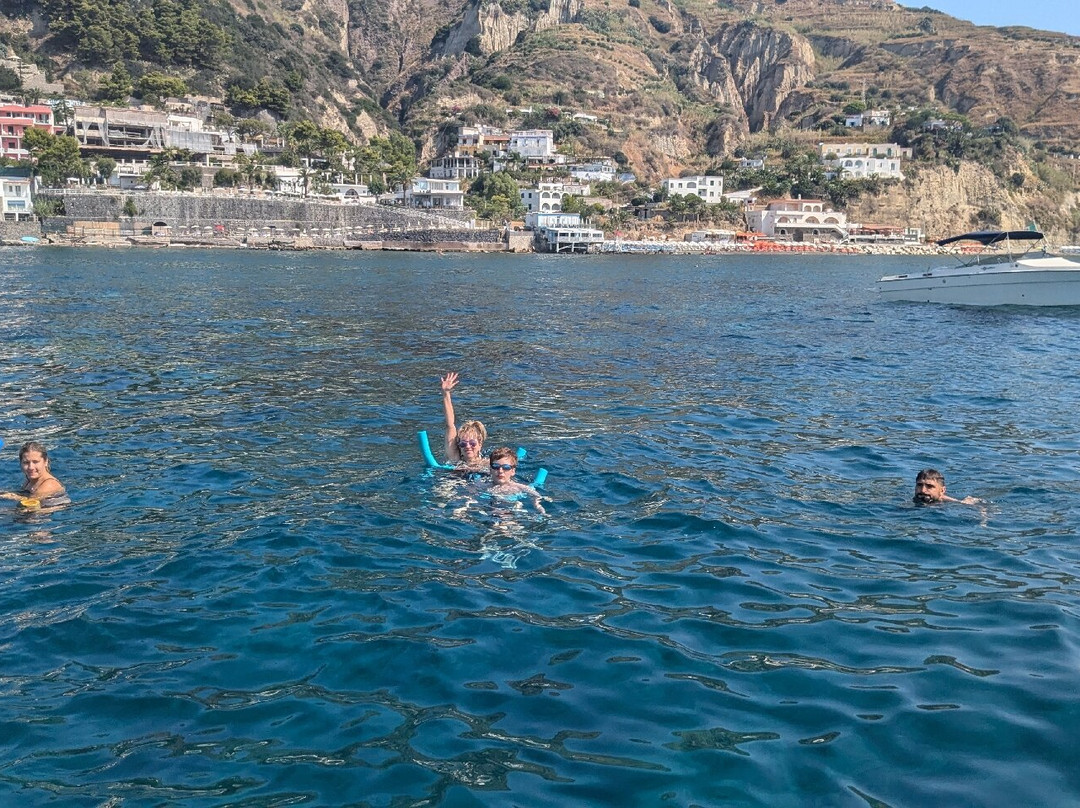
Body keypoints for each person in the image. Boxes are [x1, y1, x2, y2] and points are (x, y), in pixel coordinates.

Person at [441, 371, 488, 470]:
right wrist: (446, 393)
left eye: (472, 443)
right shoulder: (455, 459)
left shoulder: (487, 464)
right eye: (463, 444)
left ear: (480, 444)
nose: (467, 446)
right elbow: (450, 424)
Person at [2, 441, 70, 508]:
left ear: (45, 462)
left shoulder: (49, 484)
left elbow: (31, 502)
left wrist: (10, 496)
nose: (31, 467)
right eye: (26, 462)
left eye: (35, 462)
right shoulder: (29, 480)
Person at [485, 446, 545, 514]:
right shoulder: (483, 486)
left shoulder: (518, 487)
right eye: (496, 466)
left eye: (506, 467)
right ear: (490, 470)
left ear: (513, 471)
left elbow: (537, 496)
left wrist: (538, 505)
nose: (500, 471)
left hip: (512, 511)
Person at [912, 468, 978, 505]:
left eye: (929, 486)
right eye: (919, 485)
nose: (923, 490)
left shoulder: (954, 503)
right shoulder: (911, 501)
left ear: (942, 490)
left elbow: (980, 506)